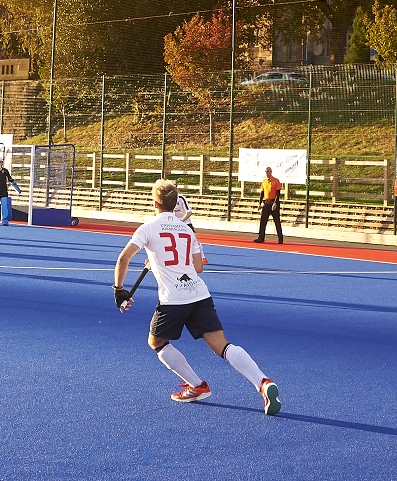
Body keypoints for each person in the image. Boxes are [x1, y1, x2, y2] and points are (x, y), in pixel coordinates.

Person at [114, 179, 281, 415]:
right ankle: (263, 382)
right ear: (176, 205)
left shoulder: (148, 227)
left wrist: (119, 290)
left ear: (154, 203)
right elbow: (197, 267)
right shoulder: (186, 230)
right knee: (222, 346)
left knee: (157, 342)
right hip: (199, 293)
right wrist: (155, 261)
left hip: (173, 299)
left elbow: (123, 259)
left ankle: (197, 385)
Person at [255, 166, 284, 244]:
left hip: (274, 202)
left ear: (271, 172)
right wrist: (260, 203)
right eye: (265, 171)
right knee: (263, 220)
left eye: (268, 171)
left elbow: (278, 194)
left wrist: (275, 203)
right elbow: (262, 193)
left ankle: (280, 238)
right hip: (266, 202)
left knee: (277, 221)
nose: (266, 173)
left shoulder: (276, 181)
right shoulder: (264, 182)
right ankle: (261, 237)